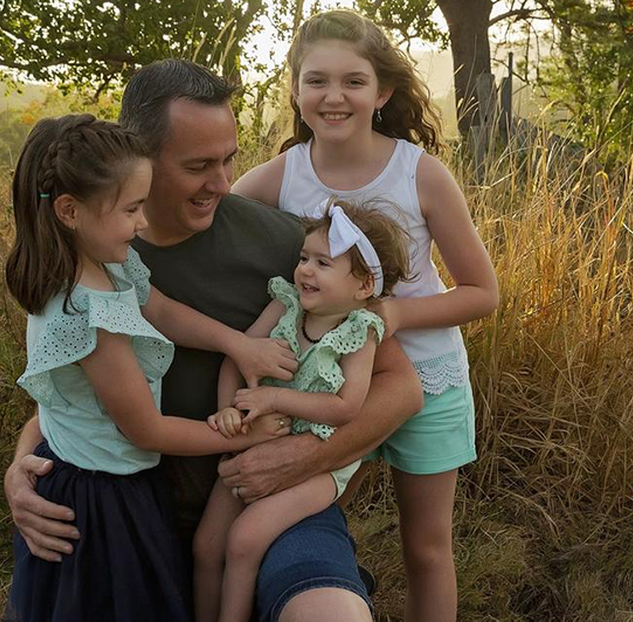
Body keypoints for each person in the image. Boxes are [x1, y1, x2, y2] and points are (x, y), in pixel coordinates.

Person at [4, 59, 425, 622]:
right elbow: (67, 393)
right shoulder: (91, 259)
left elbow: (401, 386)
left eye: (229, 159)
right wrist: (21, 469)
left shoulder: (289, 246)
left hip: (271, 498)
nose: (224, 184)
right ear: (140, 163)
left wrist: (300, 456)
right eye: (199, 165)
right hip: (132, 516)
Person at [232, 10, 500, 621]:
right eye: (316, 80)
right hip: (320, 387)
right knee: (316, 517)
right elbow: (211, 214)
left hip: (425, 381)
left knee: (427, 547)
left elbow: (482, 292)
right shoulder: (284, 173)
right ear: (296, 90)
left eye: (353, 81)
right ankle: (328, 593)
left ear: (381, 92)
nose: (334, 96)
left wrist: (394, 315)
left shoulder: (419, 173)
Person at [4, 113, 298, 621]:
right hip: (102, 502)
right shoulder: (91, 315)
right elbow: (146, 429)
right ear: (70, 211)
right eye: (132, 208)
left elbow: (158, 308)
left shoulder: (108, 266)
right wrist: (246, 438)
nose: (141, 223)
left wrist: (238, 345)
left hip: (106, 478)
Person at [194, 200, 413, 622]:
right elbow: (236, 360)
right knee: (207, 547)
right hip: (251, 444)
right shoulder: (286, 304)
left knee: (243, 540)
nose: (305, 270)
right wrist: (229, 415)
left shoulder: (359, 332)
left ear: (364, 286)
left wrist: (274, 399)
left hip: (318, 467)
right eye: (303, 258)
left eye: (322, 263)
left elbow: (346, 407)